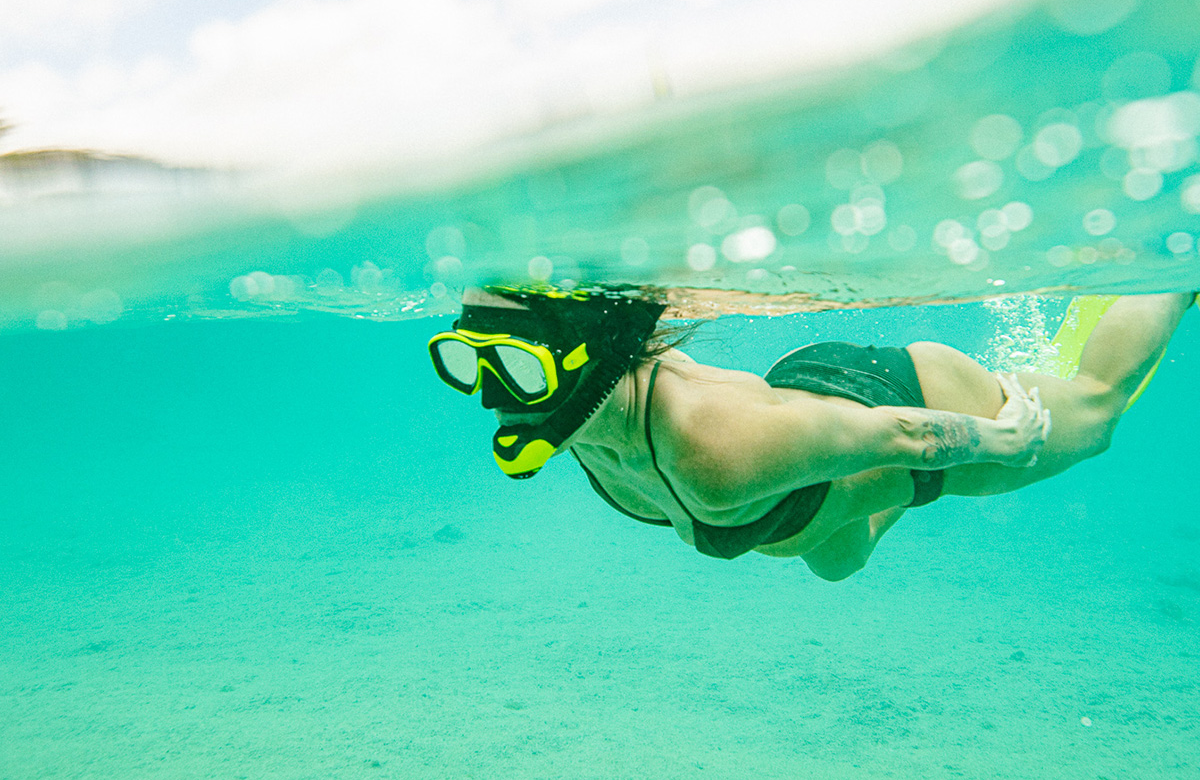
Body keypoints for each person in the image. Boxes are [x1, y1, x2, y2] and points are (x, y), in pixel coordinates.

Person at [429, 285, 1193, 581]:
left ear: (582, 361)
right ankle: (1022, 380)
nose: (492, 398)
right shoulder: (586, 421)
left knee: (1094, 415)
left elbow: (899, 434)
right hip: (806, 438)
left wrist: (994, 438)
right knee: (838, 563)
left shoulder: (713, 447)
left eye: (520, 371)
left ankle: (1171, 263)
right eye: (464, 363)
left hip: (907, 402)